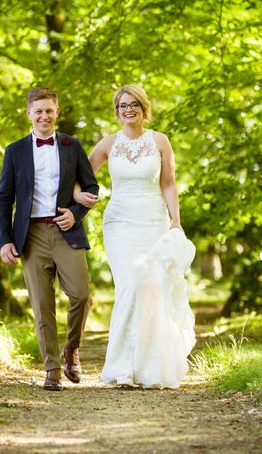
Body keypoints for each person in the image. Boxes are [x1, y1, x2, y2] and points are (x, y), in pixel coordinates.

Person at [74, 85, 196, 389]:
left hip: (154, 221)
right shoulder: (108, 143)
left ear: (144, 108)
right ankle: (122, 368)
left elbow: (168, 183)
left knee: (150, 287)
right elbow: (81, 175)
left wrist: (176, 220)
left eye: (134, 105)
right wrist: (80, 194)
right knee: (128, 285)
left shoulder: (160, 141)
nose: (129, 110)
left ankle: (149, 368)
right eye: (123, 106)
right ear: (116, 112)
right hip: (119, 223)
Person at [0, 86, 99, 391]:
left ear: (57, 112)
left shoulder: (72, 145)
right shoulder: (14, 151)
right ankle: (52, 368)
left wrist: (76, 212)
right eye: (38, 111)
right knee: (42, 306)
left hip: (66, 231)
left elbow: (91, 187)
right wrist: (4, 240)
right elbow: (4, 198)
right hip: (30, 234)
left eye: (49, 110)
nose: (44, 116)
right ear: (28, 114)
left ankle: (71, 349)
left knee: (81, 294)